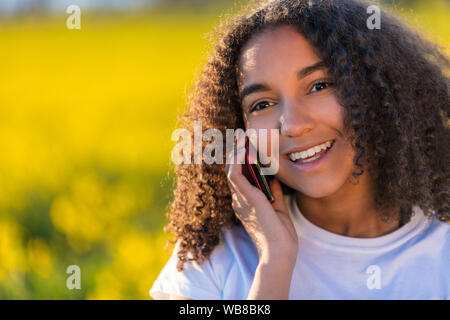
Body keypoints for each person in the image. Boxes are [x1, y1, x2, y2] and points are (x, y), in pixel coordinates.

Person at [150, 0, 450, 299]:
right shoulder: (213, 261)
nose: (292, 125)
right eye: (262, 104)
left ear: (379, 89)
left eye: (319, 86)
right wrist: (274, 262)